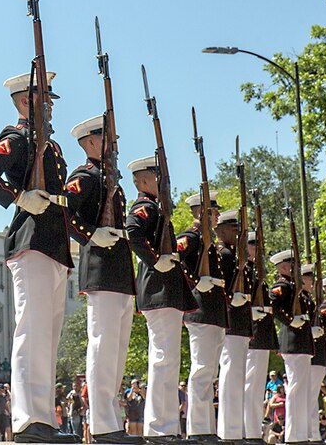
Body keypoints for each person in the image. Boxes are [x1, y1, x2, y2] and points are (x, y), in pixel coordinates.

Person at [0, 72, 76, 443]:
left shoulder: (51, 145)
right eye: (43, 97)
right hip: (31, 241)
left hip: (54, 244)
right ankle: (29, 421)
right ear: (22, 102)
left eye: (50, 98)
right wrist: (18, 196)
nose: (49, 104)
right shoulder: (17, 138)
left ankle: (43, 419)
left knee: (47, 335)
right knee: (32, 331)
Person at [63, 116, 136, 444]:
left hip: (119, 271)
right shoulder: (86, 177)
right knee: (104, 346)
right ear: (90, 143)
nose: (114, 146)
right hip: (101, 270)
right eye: (108, 139)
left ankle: (112, 421)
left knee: (117, 350)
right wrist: (90, 234)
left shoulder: (110, 180)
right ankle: (104, 425)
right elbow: (64, 212)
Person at [124, 155, 198, 442]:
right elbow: (132, 232)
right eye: (157, 177)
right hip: (158, 288)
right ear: (143, 180)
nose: (162, 182)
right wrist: (155, 261)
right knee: (162, 360)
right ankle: (158, 427)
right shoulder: (145, 206)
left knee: (168, 361)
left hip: (165, 290)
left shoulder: (157, 208)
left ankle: (166, 426)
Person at [176, 192, 228, 442]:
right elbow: (177, 260)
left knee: (209, 374)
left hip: (214, 311)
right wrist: (197, 281)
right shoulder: (192, 236)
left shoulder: (209, 241)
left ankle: (206, 428)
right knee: (201, 371)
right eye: (213, 211)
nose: (217, 215)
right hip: (200, 310)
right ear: (200, 212)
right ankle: (198, 430)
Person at [214, 209, 253, 442]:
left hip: (240, 322)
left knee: (237, 378)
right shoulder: (224, 254)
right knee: (230, 377)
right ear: (220, 231)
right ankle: (229, 430)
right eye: (233, 229)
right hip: (230, 321)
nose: (236, 234)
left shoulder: (237, 257)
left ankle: (236, 429)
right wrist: (231, 299)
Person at [269, 249, 314, 444]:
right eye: (293, 265)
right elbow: (274, 305)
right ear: (286, 267)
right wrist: (290, 321)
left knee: (302, 388)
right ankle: (294, 435)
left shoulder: (296, 289)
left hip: (302, 343)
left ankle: (300, 433)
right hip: (293, 342)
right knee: (296, 388)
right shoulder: (283, 286)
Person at [244, 230, 279, 444]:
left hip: (261, 335)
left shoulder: (257, 273)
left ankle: (253, 429)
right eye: (252, 244)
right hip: (252, 334)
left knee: (256, 388)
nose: (257, 249)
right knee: (250, 386)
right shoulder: (244, 270)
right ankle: (249, 431)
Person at [299, 264, 326, 444]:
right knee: (307, 395)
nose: (312, 282)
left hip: (316, 352)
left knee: (311, 396)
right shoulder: (301, 298)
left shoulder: (310, 300)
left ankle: (312, 431)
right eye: (309, 278)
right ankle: (307, 432)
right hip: (308, 351)